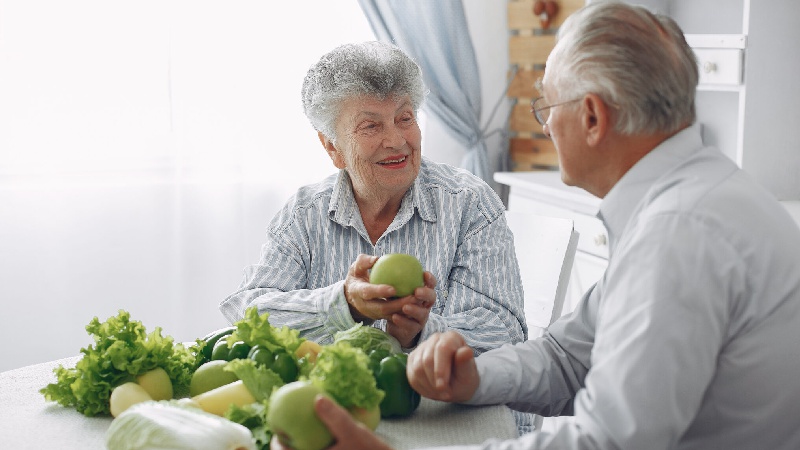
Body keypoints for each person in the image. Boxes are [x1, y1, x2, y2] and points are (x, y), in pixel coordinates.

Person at [272, 2, 800, 449]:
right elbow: (570, 358)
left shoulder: (679, 234)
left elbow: (605, 441)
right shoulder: (692, 198)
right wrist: (474, 377)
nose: (543, 125)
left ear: (592, 118)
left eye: (547, 105)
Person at [219, 42, 526, 361]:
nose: (395, 141)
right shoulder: (304, 214)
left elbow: (504, 336)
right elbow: (250, 314)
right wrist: (344, 305)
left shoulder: (469, 204)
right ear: (332, 148)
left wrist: (421, 332)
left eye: (404, 118)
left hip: (442, 408)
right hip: (333, 403)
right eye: (371, 126)